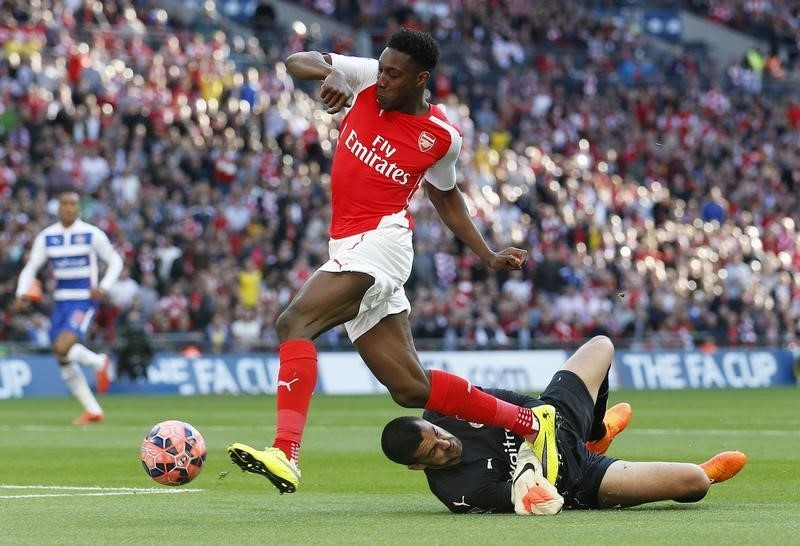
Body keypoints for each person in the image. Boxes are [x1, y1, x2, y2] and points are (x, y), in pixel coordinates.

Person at [228, 28, 552, 494]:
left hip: (383, 241)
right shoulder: (363, 79)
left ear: (421, 79)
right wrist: (330, 72)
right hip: (346, 245)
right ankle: (528, 422)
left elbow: (446, 196)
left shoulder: (442, 136)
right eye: (380, 69)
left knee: (293, 322)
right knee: (410, 389)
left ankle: (286, 452)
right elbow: (295, 60)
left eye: (393, 75)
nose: (382, 80)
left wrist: (486, 254)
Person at [381, 336, 748, 514]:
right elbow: (541, 498)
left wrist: (538, 421)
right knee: (693, 483)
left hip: (555, 417)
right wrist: (530, 453)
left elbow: (519, 400)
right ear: (418, 466)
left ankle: (596, 434)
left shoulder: (446, 412)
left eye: (437, 435)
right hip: (577, 478)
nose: (445, 442)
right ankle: (703, 471)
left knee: (602, 346)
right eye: (434, 450)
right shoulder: (458, 492)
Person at [13, 191, 123, 424]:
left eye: (73, 204)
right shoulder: (48, 237)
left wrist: (103, 287)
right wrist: (21, 293)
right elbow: (31, 267)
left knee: (63, 346)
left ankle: (98, 362)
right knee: (61, 356)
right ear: (58, 208)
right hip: (61, 300)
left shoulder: (91, 234)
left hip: (84, 299)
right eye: (64, 203)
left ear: (79, 208)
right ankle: (93, 409)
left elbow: (115, 261)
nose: (69, 208)